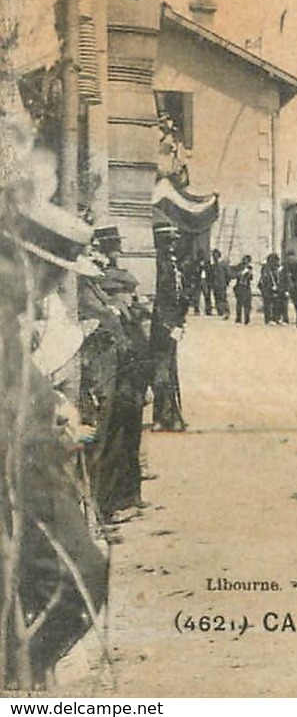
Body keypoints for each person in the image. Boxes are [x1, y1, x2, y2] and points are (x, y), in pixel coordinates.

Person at [0, 195, 109, 688]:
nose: (47, 288)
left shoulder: (11, 310)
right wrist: (49, 421)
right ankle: (18, 673)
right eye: (46, 273)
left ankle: (25, 672)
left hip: (29, 459)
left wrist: (53, 407)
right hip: (19, 471)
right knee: (80, 573)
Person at [79, 226, 149, 524]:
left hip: (127, 370)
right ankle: (110, 505)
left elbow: (128, 286)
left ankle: (126, 498)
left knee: (125, 435)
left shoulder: (107, 281)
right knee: (111, 440)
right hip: (110, 371)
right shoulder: (95, 284)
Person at [149, 221, 188, 431]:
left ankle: (170, 415)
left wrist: (180, 322)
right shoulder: (160, 265)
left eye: (172, 243)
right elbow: (159, 299)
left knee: (169, 371)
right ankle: (163, 416)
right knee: (162, 372)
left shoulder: (172, 265)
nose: (171, 247)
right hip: (161, 325)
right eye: (168, 243)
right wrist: (169, 326)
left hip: (172, 323)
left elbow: (179, 297)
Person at [206, 248, 229, 316]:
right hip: (215, 284)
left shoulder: (223, 264)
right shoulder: (213, 266)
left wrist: (226, 282)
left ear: (218, 256)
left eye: (215, 256)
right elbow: (211, 275)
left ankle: (226, 311)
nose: (214, 257)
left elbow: (228, 274)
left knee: (223, 298)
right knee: (217, 298)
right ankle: (220, 311)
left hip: (222, 284)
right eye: (213, 256)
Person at [233, 255, 254, 324]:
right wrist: (242, 272)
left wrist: (249, 273)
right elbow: (236, 275)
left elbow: (251, 278)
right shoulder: (239, 267)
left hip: (247, 287)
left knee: (247, 304)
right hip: (240, 286)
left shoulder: (249, 268)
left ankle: (247, 319)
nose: (247, 262)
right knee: (239, 303)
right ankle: (238, 318)